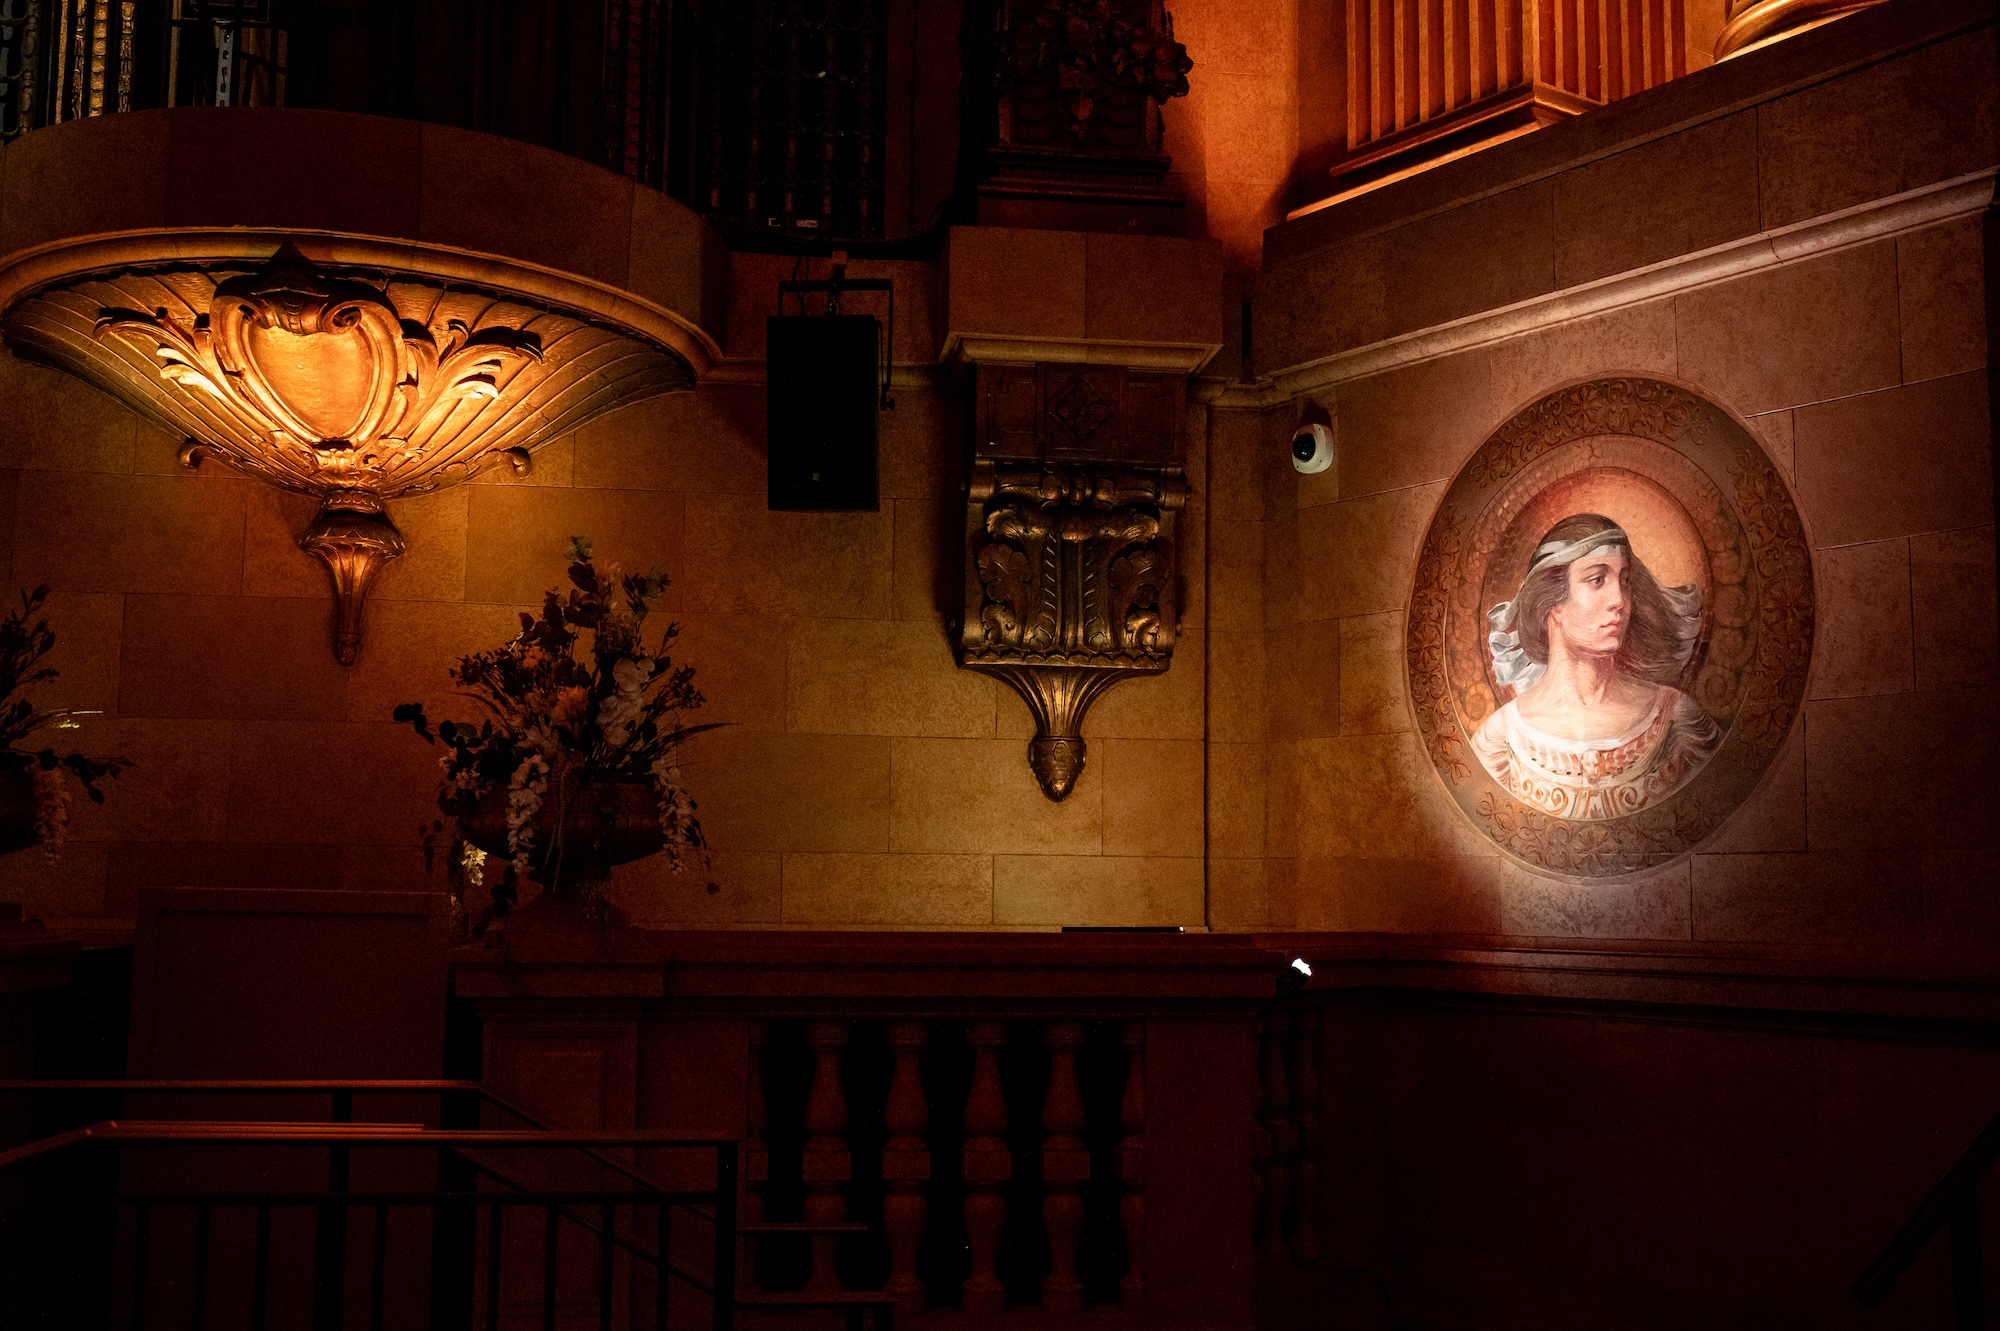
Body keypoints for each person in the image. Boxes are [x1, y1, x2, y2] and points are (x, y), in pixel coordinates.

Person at [1470, 513, 1718, 820]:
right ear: (1552, 604)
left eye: (1625, 581)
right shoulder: (1501, 739)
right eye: (1597, 580)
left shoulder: (1678, 721)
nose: (1619, 599)